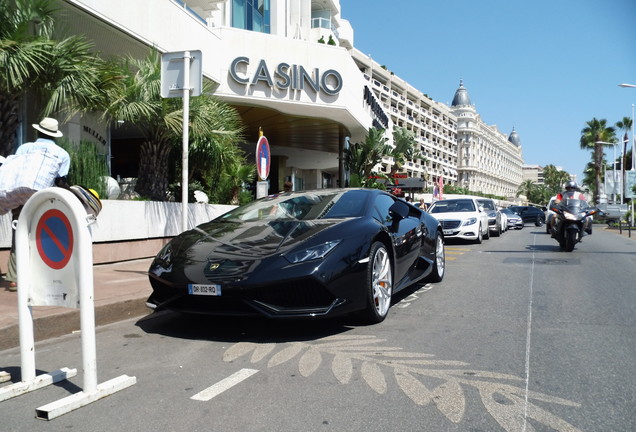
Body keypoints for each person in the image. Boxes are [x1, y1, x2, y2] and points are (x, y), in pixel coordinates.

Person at [5, 117, 71, 291]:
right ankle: (40, 277)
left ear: (37, 131)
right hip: (43, 201)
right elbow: (60, 180)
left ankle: (14, 279)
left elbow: (16, 171)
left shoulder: (24, 148)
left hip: (20, 198)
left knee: (18, 235)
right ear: (55, 135)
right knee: (43, 237)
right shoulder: (62, 154)